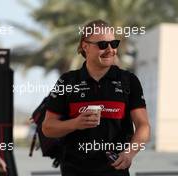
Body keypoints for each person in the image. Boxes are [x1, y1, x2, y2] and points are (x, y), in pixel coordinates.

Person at [42, 20, 150, 176]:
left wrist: (129, 154)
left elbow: (143, 126)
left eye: (113, 43)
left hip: (115, 171)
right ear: (85, 46)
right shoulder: (67, 81)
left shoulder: (128, 80)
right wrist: (76, 123)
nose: (110, 49)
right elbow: (47, 128)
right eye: (102, 45)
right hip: (74, 171)